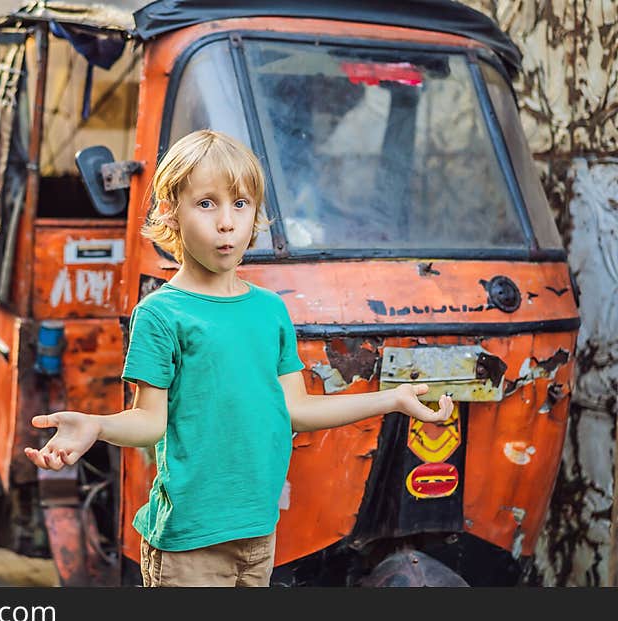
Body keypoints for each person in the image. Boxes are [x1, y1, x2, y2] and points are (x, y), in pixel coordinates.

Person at [25, 129, 453, 587]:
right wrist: (97, 425)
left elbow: (297, 410)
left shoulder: (270, 310)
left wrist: (393, 400)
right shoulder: (160, 314)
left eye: (241, 204)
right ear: (171, 213)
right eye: (206, 203)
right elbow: (149, 423)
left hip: (258, 534)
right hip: (190, 543)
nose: (226, 222)